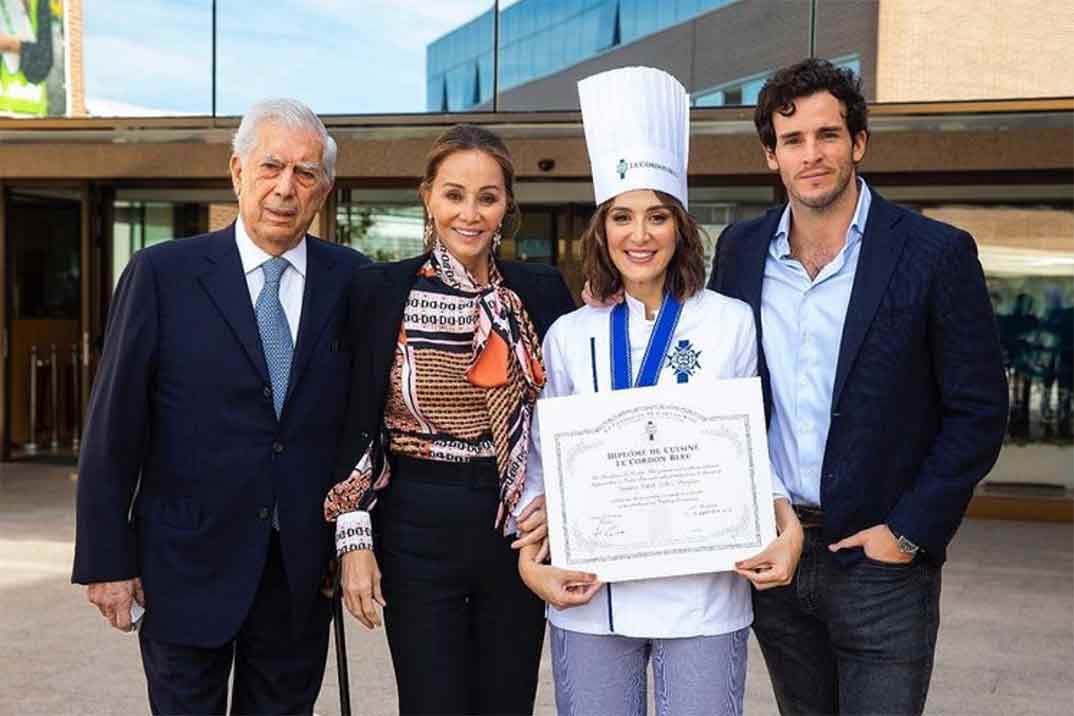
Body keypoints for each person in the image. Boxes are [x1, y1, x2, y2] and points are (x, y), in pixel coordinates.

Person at [707, 58, 1009, 715]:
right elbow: (719, 387)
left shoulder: (934, 253)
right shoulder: (740, 250)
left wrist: (906, 533)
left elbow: (979, 412)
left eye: (828, 135)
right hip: (779, 555)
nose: (811, 155)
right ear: (771, 156)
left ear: (859, 143)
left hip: (882, 566)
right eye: (793, 140)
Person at [517, 66, 804, 716]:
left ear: (679, 227)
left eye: (656, 217)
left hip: (704, 592)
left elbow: (751, 443)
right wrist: (531, 559)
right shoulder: (568, 334)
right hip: (591, 593)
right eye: (622, 217)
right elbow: (542, 456)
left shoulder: (728, 321)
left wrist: (784, 528)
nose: (638, 235)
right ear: (602, 228)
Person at [72, 98, 369, 715]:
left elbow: (367, 425)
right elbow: (113, 425)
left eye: (305, 173)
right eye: (270, 167)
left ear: (325, 190)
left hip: (298, 573)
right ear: (237, 173)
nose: (286, 187)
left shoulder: (356, 282)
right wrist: (106, 559)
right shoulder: (162, 273)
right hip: (183, 566)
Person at [324, 124, 576, 715]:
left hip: (515, 525)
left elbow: (571, 410)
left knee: (507, 701)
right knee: (430, 702)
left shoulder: (540, 291)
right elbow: (354, 423)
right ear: (428, 197)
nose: (470, 213)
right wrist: (353, 540)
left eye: (487, 197)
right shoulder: (381, 290)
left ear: (506, 204)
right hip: (414, 521)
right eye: (454, 194)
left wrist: (564, 499)